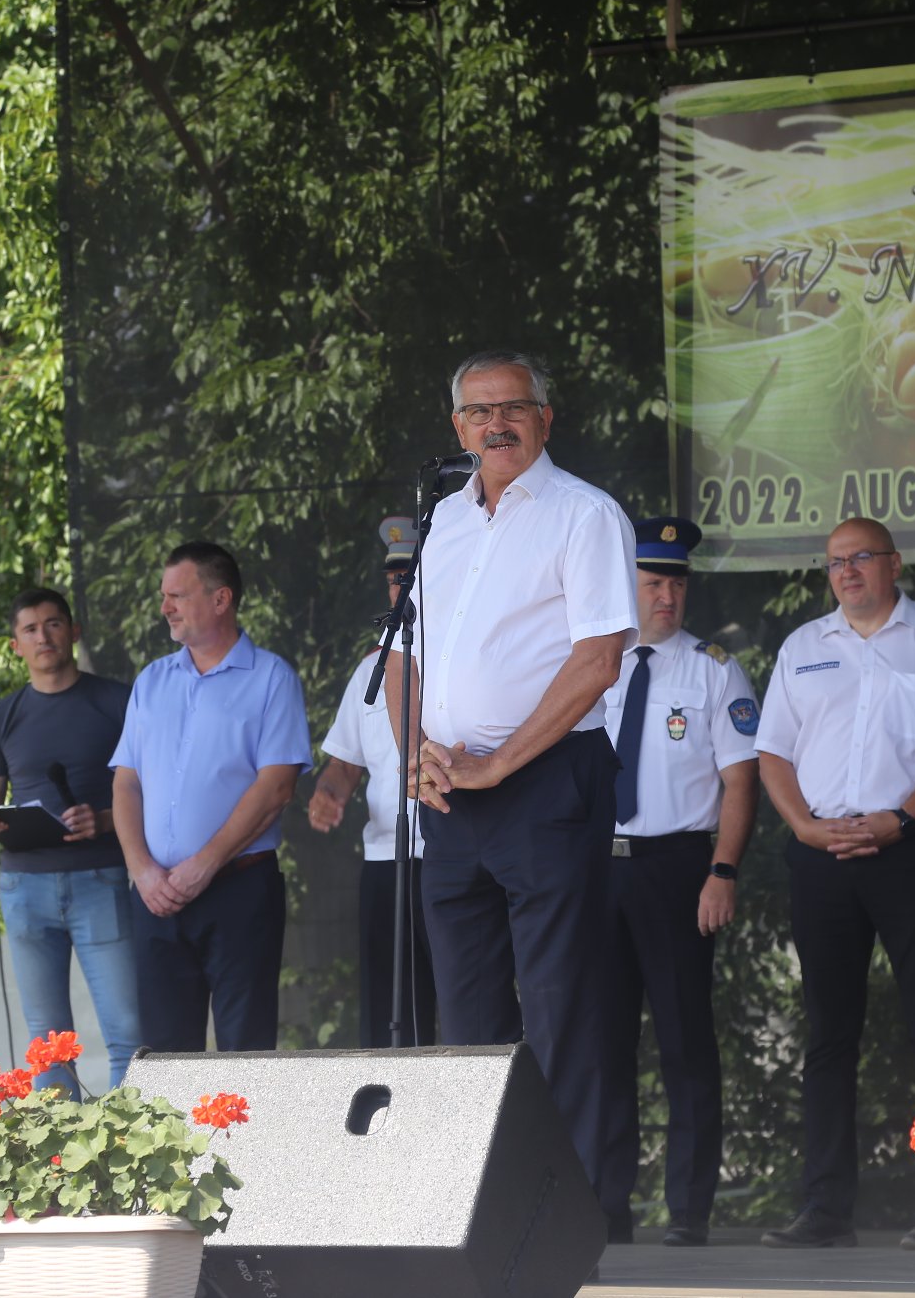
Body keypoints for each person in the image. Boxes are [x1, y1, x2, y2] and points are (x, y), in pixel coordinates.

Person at [388, 349, 637, 1201]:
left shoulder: (584, 513)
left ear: (545, 417)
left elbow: (598, 658)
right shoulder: (440, 522)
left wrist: (501, 760)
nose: (496, 424)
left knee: (562, 1007)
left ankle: (572, 1216)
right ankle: (485, 1210)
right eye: (478, 412)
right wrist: (414, 748)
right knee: (466, 1015)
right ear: (456, 427)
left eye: (513, 408)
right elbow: (401, 655)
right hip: (449, 792)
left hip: (546, 782)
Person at [755, 517, 915, 1251]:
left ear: (894, 562)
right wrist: (802, 827)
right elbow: (772, 751)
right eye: (834, 562)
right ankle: (826, 1208)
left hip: (906, 850)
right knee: (828, 1032)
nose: (847, 571)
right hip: (821, 854)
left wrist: (902, 818)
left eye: (860, 557)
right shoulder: (803, 646)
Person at [598, 516, 759, 1249]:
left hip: (677, 867)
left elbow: (739, 780)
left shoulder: (714, 668)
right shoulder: (589, 660)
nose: (667, 596)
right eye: (653, 581)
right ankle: (604, 1205)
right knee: (600, 1043)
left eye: (677, 582)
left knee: (685, 1038)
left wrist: (722, 870)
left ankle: (688, 1207)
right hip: (596, 868)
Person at [110, 541, 312, 1052]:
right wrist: (142, 871)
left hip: (239, 890)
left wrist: (203, 864)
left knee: (245, 1051)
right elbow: (126, 782)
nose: (165, 608)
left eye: (177, 595)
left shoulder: (271, 678)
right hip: (156, 895)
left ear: (221, 599)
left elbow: (276, 787)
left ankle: (245, 1139)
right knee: (162, 1057)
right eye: (164, 596)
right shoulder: (151, 681)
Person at [0, 588, 139, 1093]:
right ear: (15, 645)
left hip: (99, 879)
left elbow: (157, 789)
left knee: (128, 1035)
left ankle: (135, 1159)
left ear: (74, 632)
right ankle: (61, 1165)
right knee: (48, 1044)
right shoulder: (1, 716)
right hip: (24, 888)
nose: (43, 636)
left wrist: (105, 820)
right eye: (30, 629)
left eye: (54, 624)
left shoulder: (117, 701)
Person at [306, 517, 437, 1048]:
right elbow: (344, 763)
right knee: (388, 1013)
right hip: (386, 862)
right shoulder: (370, 669)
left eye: (413, 574)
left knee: (463, 1010)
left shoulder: (464, 659)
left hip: (453, 858)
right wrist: (330, 791)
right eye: (394, 577)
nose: (401, 587)